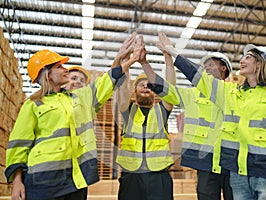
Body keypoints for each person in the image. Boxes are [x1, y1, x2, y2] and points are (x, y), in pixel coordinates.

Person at [148, 32, 266, 200]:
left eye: (248, 57)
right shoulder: (231, 93)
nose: (241, 61)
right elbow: (199, 77)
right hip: (239, 174)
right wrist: (172, 54)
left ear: (260, 63)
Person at [5, 32, 138, 200]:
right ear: (46, 73)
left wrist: (123, 59)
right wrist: (17, 182)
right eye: (59, 67)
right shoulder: (32, 104)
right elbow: (18, 144)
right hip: (42, 183)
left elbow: (106, 82)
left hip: (75, 180)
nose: (65, 69)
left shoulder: (80, 98)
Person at [145, 36, 234, 199]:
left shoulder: (234, 92)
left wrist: (174, 52)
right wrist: (146, 66)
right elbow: (169, 92)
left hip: (231, 161)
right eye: (204, 66)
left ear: (223, 68)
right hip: (205, 162)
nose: (206, 68)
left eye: (211, 64)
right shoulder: (192, 94)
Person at [115, 34, 175, 200]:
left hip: (159, 176)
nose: (145, 87)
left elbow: (170, 88)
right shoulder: (127, 110)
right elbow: (123, 86)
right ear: (134, 91)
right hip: (131, 175)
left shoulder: (162, 110)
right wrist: (128, 58)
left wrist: (167, 56)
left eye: (149, 85)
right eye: (141, 84)